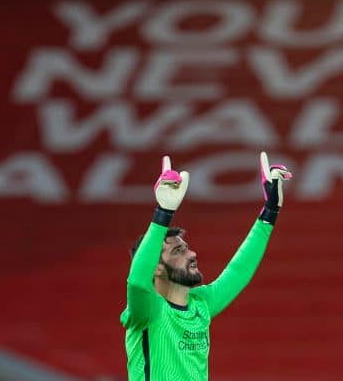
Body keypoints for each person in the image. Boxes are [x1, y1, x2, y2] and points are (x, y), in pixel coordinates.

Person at [120, 151, 292, 381]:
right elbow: (138, 282)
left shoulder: (201, 305)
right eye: (179, 251)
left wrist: (269, 213)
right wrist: (163, 213)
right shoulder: (148, 310)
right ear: (157, 268)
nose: (192, 254)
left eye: (187, 247)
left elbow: (238, 271)